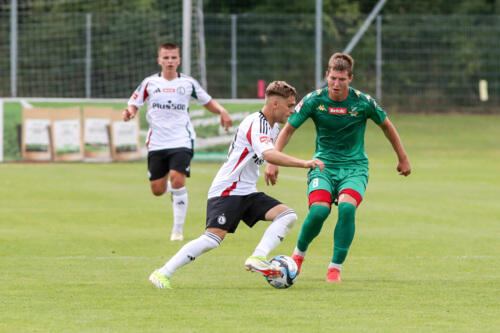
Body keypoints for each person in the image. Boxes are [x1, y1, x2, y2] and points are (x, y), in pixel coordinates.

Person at [148, 81, 324, 289]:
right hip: (228, 190)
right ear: (275, 103)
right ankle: (162, 273)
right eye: (290, 105)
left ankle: (257, 258)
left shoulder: (273, 127)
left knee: (287, 215)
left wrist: (271, 165)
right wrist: (304, 163)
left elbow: (268, 153)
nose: (292, 110)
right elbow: (268, 153)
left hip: (246, 191)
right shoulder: (255, 123)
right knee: (212, 239)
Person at [265, 53, 411, 282]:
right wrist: (273, 160)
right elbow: (289, 129)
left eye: (342, 79)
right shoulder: (315, 100)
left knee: (347, 209)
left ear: (350, 78)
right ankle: (298, 257)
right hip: (323, 165)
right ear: (327, 76)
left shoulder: (363, 102)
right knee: (319, 211)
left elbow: (387, 126)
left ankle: (335, 268)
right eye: (333, 78)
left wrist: (402, 158)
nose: (336, 84)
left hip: (355, 167)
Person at [123, 42, 233, 241]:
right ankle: (174, 192)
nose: (170, 61)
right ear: (159, 60)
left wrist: (222, 111)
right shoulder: (150, 83)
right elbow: (134, 102)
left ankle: (177, 231)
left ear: (179, 60)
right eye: (166, 57)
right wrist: (130, 111)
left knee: (177, 178)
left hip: (181, 139)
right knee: (157, 190)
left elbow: (207, 101)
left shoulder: (187, 83)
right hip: (156, 142)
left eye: (173, 57)